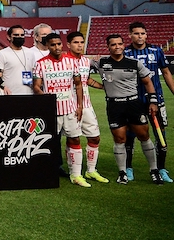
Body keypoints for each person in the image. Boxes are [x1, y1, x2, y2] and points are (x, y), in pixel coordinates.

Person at [96, 34, 162, 185]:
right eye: (113, 44)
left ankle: (154, 170)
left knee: (144, 136)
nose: (117, 47)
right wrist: (99, 85)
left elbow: (148, 82)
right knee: (119, 139)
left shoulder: (134, 63)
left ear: (123, 45)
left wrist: (153, 102)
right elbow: (81, 71)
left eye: (120, 44)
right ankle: (122, 173)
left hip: (133, 104)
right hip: (114, 106)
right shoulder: (102, 62)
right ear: (108, 47)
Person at [32, 33, 87, 187]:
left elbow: (78, 84)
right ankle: (48, 172)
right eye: (52, 45)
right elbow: (36, 86)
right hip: (52, 111)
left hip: (70, 109)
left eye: (58, 44)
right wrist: (47, 99)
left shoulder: (72, 61)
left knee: (75, 139)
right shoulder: (40, 64)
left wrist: (80, 106)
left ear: (62, 44)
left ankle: (76, 175)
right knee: (50, 142)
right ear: (47, 46)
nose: (56, 47)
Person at [123, 21, 174, 182]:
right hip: (134, 101)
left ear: (146, 35)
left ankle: (161, 169)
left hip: (156, 100)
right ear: (130, 35)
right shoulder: (125, 52)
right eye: (136, 33)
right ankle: (128, 168)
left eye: (142, 33)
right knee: (130, 135)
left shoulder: (156, 51)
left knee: (160, 134)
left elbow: (166, 72)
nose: (140, 36)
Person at [65, 31, 107, 182]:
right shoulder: (63, 61)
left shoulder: (85, 61)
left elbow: (86, 80)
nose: (79, 45)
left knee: (94, 137)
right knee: (74, 138)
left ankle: (91, 170)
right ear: (68, 44)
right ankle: (75, 174)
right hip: (70, 105)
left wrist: (103, 87)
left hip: (87, 105)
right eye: (76, 42)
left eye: (81, 42)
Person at [0, 25, 39, 95]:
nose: (19, 37)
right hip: (10, 94)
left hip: (29, 94)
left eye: (22, 35)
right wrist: (3, 87)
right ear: (9, 37)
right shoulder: (2, 54)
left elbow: (34, 71)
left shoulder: (30, 52)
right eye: (16, 35)